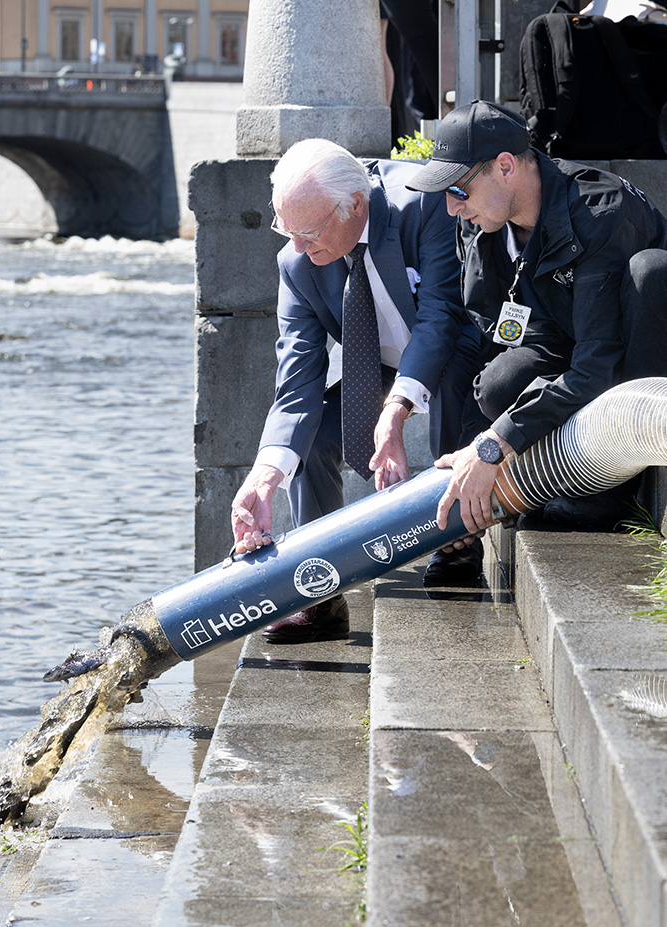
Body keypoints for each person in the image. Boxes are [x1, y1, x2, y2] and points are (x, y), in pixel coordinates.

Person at [231, 138, 482, 644]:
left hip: (460, 343)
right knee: (312, 439)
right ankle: (318, 591)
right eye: (287, 229)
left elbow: (440, 318)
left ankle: (459, 534)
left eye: (308, 230)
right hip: (383, 361)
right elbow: (297, 380)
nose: (297, 245)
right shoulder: (296, 263)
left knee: (455, 378)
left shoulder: (421, 203)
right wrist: (263, 479)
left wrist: (394, 414)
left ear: (357, 205)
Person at [405, 100, 667, 538]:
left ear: (505, 166)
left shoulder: (598, 213)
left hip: (640, 349)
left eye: (458, 190)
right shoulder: (481, 221)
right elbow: (489, 331)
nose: (451, 207)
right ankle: (564, 476)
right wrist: (472, 456)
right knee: (498, 386)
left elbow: (595, 367)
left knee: (651, 273)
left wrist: (493, 446)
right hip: (573, 336)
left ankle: (620, 490)